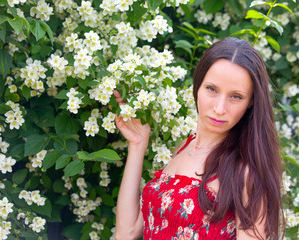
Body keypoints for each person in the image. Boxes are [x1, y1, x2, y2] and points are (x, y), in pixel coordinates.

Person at [114, 37, 283, 240]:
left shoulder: (245, 171)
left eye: (236, 96)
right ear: (197, 85)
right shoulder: (184, 147)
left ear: (251, 102)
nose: (219, 108)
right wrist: (137, 144)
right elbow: (127, 232)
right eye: (211, 89)